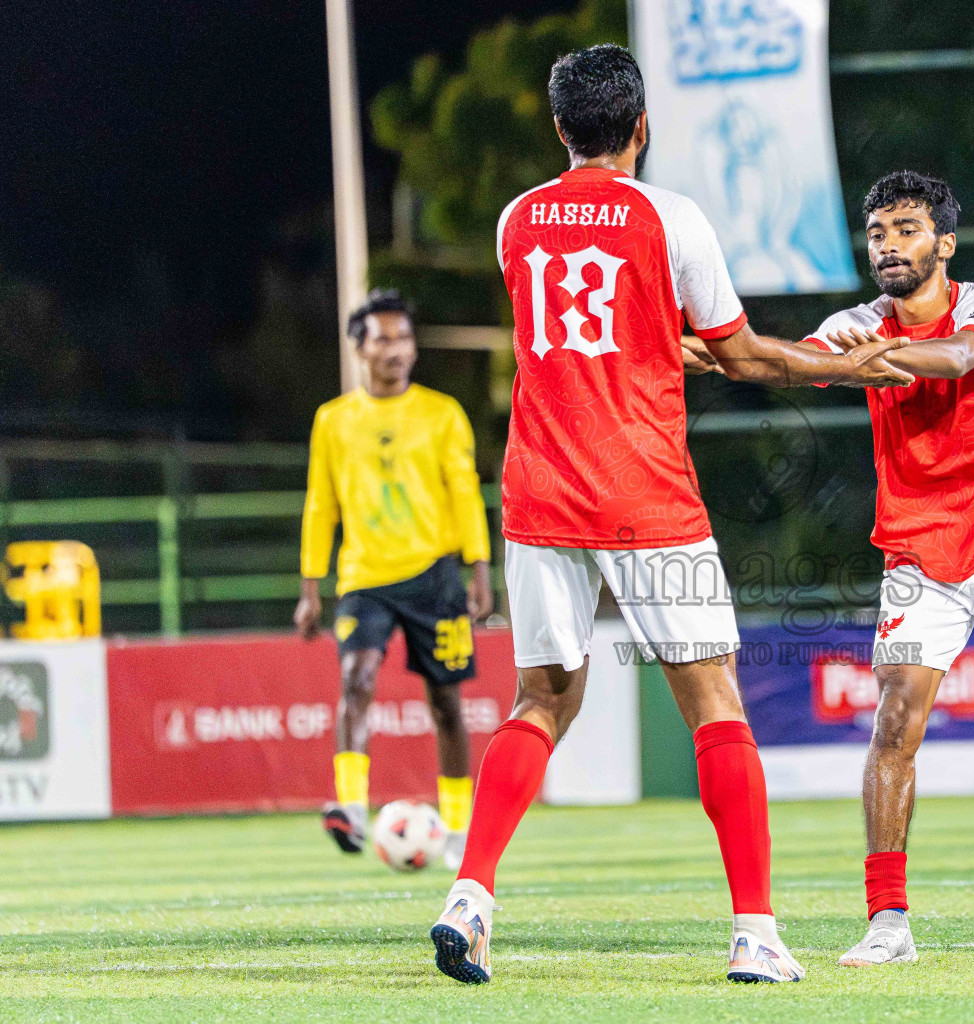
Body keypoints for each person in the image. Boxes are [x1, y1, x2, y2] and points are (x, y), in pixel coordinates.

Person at [429, 44, 914, 987]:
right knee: (714, 705)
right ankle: (756, 934)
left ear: (561, 129)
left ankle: (471, 896)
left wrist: (663, 345)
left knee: (541, 701)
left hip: (539, 492)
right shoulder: (671, 217)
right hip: (646, 491)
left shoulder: (515, 221)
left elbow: (584, 339)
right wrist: (840, 363)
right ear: (643, 127)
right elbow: (742, 357)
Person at [798, 171, 974, 966]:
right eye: (879, 231)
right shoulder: (852, 323)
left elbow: (958, 358)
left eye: (908, 229)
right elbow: (793, 363)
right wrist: (712, 351)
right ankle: (888, 920)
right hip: (921, 554)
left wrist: (876, 356)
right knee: (894, 723)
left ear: (944, 244)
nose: (889, 244)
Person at [295, 288, 494, 870]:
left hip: (436, 578)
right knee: (356, 679)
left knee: (446, 705)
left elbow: (464, 495)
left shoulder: (442, 413)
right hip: (364, 579)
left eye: (404, 338)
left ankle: (457, 829)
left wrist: (479, 572)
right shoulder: (333, 421)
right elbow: (319, 506)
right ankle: (350, 808)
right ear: (360, 348)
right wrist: (311, 587)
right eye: (383, 339)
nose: (397, 350)